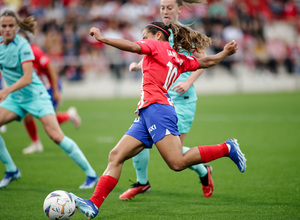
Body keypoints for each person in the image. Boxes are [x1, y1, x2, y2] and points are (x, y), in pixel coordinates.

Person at [69, 22, 246, 219]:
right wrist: (224, 53)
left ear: (159, 36)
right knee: (116, 156)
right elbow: (205, 62)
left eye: (145, 35)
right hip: (148, 112)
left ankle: (227, 148)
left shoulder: (156, 46)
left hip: (157, 109)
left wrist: (102, 39)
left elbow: (132, 46)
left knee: (177, 163)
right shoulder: (177, 57)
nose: (143, 39)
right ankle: (93, 204)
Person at [120, 0, 214, 200]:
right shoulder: (158, 31)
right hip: (158, 99)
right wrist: (138, 64)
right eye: (162, 7)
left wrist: (188, 82)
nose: (165, 11)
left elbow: (203, 61)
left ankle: (204, 171)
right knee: (138, 139)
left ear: (180, 9)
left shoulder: (183, 34)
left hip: (181, 99)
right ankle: (142, 183)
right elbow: (153, 53)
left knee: (175, 155)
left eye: (169, 7)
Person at [0, 10, 98, 189]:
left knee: (55, 135)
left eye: (10, 26)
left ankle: (91, 174)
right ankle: (12, 170)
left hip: (35, 95)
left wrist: (6, 90)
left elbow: (28, 77)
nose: (7, 29)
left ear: (16, 27)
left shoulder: (23, 46)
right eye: (3, 26)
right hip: (16, 98)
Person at [18, 29, 82, 155]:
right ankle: (36, 143)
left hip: (48, 87)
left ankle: (70, 115)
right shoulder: (18, 52)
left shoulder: (34, 51)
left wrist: (56, 91)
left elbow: (51, 68)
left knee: (49, 119)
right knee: (28, 115)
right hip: (36, 88)